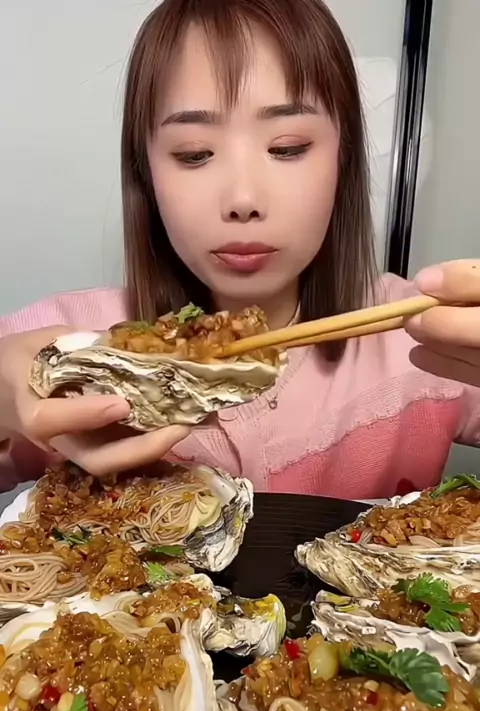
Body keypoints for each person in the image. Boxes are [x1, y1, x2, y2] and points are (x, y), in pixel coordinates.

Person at [0, 0, 479, 500]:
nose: (243, 199)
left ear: (344, 157)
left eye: (287, 148)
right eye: (194, 154)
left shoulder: (424, 332)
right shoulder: (73, 343)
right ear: (146, 173)